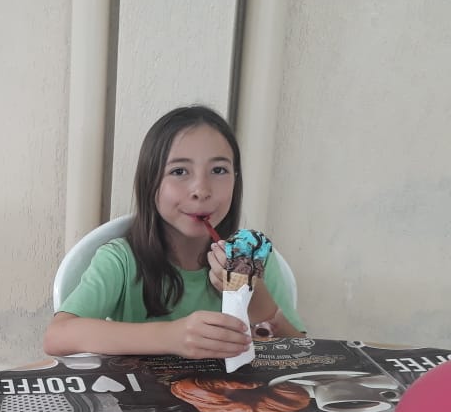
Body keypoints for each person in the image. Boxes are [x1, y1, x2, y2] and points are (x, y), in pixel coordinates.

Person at [44, 105, 304, 359]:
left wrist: (260, 305)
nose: (201, 190)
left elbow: (303, 354)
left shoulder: (254, 257)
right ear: (150, 183)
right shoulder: (121, 260)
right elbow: (57, 336)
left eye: (219, 170)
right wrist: (172, 336)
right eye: (179, 171)